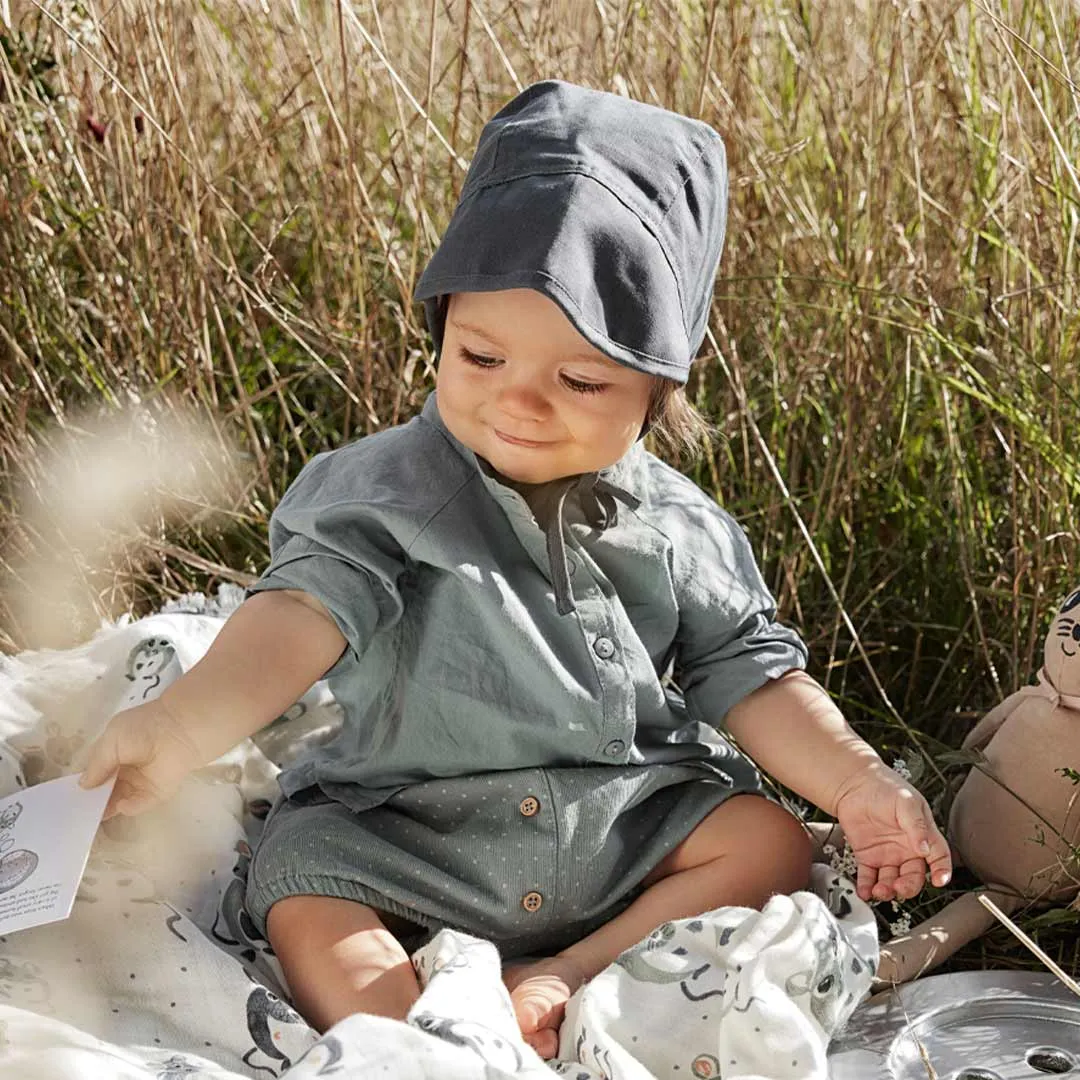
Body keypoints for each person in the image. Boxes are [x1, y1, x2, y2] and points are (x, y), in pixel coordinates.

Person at [79, 80, 952, 1059]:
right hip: (403, 832)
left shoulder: (678, 526)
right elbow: (298, 613)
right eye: (479, 357)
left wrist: (860, 786)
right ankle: (410, 1035)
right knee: (302, 879)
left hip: (611, 830)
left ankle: (565, 977)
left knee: (768, 841)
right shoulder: (383, 492)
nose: (519, 404)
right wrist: (179, 725)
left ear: (660, 387)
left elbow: (753, 677)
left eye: (580, 380)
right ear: (441, 328)